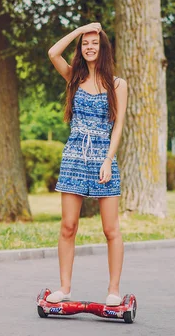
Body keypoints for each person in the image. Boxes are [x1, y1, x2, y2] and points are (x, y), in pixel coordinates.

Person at [46, 22, 128, 306]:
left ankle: (114, 290)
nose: (89, 47)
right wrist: (81, 29)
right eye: (85, 43)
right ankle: (64, 287)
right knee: (68, 226)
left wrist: (108, 160)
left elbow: (118, 127)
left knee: (110, 229)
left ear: (102, 47)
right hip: (74, 156)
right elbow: (53, 52)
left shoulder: (118, 85)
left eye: (94, 42)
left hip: (103, 157)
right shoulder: (74, 77)